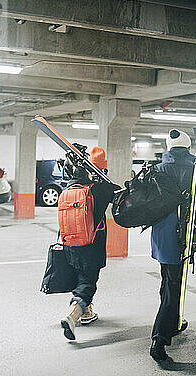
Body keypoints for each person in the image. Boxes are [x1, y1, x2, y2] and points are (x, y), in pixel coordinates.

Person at [149, 129, 196, 361]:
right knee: (173, 287)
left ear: (169, 147)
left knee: (169, 280)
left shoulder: (157, 170)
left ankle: (174, 323)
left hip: (160, 237)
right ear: (188, 148)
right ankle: (159, 338)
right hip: (185, 236)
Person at [60, 146, 120, 340]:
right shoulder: (101, 190)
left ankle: (86, 312)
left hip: (70, 244)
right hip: (91, 245)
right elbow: (119, 195)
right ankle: (73, 315)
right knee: (88, 284)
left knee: (79, 278)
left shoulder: (70, 187)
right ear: (100, 171)